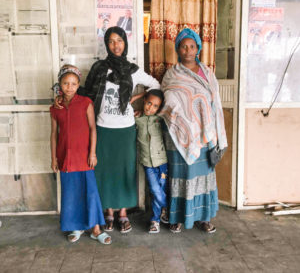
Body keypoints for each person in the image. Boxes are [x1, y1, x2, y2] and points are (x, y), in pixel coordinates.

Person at [55, 27, 160, 233]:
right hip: (103, 128)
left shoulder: (133, 70)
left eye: (119, 40)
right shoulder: (99, 68)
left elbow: (155, 85)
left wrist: (137, 102)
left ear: (125, 42)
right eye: (111, 41)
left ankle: (122, 213)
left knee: (124, 172)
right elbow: (85, 94)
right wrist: (62, 96)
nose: (116, 45)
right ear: (106, 44)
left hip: (125, 130)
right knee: (105, 172)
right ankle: (109, 212)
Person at [160, 28, 227, 234]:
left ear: (197, 48)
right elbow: (166, 100)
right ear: (178, 49)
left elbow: (215, 104)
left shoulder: (207, 73)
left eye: (192, 46)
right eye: (183, 46)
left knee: (203, 177)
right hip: (179, 135)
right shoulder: (172, 74)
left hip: (204, 136)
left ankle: (204, 218)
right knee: (179, 176)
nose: (188, 50)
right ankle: (178, 217)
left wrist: (216, 134)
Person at [50, 64, 111, 245]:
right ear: (60, 84)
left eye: (73, 84)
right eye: (66, 83)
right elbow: (54, 134)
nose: (69, 87)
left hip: (84, 157)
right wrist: (53, 158)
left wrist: (92, 153)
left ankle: (96, 229)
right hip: (65, 158)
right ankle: (76, 226)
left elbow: (93, 128)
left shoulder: (86, 103)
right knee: (71, 193)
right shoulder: (55, 108)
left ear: (78, 85)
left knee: (90, 192)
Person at [135, 89, 169, 234]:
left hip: (162, 162)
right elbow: (124, 105)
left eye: (155, 106)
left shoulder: (160, 119)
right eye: (149, 103)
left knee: (158, 191)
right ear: (144, 101)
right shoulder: (137, 119)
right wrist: (141, 94)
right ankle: (168, 207)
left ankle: (155, 221)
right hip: (148, 164)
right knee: (155, 189)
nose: (151, 108)